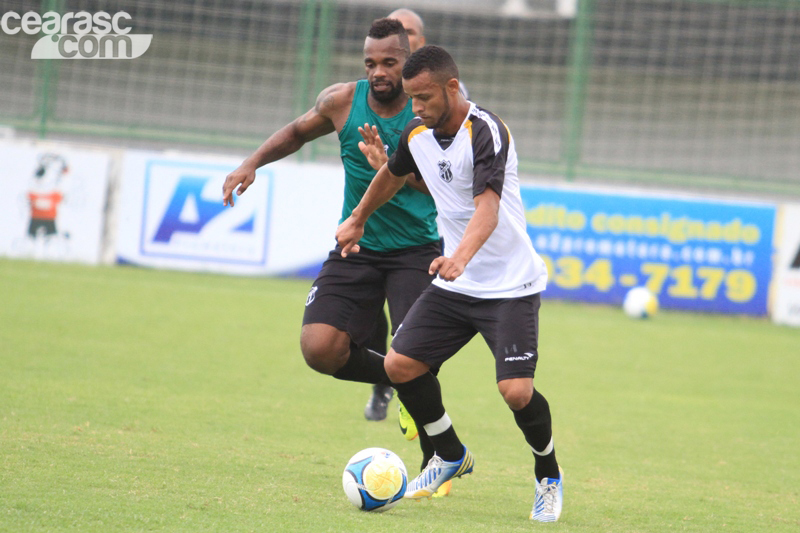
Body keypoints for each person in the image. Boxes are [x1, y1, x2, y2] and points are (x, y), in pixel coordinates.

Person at [336, 45, 564, 522]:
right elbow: (392, 176)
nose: (415, 107)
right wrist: (357, 218)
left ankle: (547, 474)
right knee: (400, 365)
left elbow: (488, 207)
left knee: (516, 393)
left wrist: (458, 257)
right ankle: (449, 453)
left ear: (452, 87)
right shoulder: (416, 132)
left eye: (423, 97)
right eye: (410, 97)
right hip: (457, 283)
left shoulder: (486, 131)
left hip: (509, 285)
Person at [221, 18, 440, 466]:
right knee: (319, 349)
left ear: (407, 62)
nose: (379, 71)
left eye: (390, 62)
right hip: (355, 245)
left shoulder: (427, 116)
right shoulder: (341, 101)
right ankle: (399, 378)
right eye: (371, 62)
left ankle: (437, 458)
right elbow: (298, 132)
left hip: (416, 249)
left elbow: (447, 188)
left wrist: (392, 167)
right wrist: (252, 162)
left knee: (417, 352)